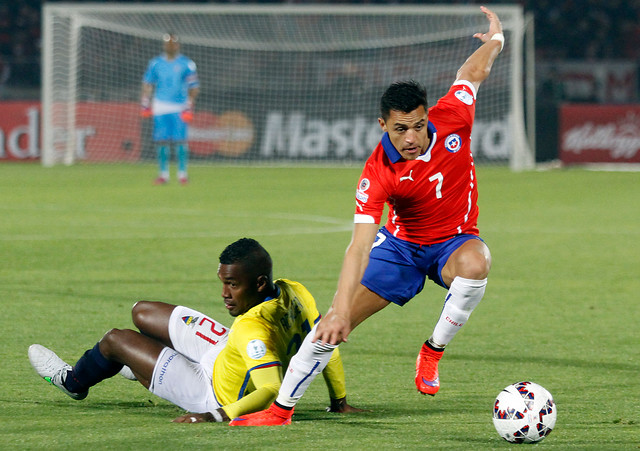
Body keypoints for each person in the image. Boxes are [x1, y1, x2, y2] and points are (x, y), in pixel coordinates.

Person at [230, 6, 503, 427]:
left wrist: (497, 40)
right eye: (400, 130)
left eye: (417, 125)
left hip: (454, 241)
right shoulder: (377, 173)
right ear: (382, 125)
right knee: (331, 327)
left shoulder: (454, 118)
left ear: (427, 116)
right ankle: (280, 410)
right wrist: (339, 308)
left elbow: (472, 73)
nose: (411, 138)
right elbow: (359, 246)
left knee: (477, 263)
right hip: (402, 248)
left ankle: (432, 350)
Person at [28, 238, 360, 423]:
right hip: (227, 352)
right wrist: (339, 400)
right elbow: (325, 343)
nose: (224, 294)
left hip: (209, 391)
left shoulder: (252, 327)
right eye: (223, 282)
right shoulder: (293, 289)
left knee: (115, 339)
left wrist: (212, 415)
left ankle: (72, 382)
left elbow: (269, 389)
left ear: (259, 283)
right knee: (141, 312)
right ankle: (139, 366)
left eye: (232, 285)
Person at [141, 33, 199, 185]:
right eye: (167, 43)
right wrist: (145, 101)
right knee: (161, 141)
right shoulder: (155, 63)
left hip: (179, 106)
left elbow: (194, 86)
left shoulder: (187, 64)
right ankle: (163, 174)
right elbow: (148, 83)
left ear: (177, 45)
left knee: (181, 141)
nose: (169, 46)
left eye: (172, 43)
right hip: (160, 105)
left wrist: (189, 104)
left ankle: (182, 174)